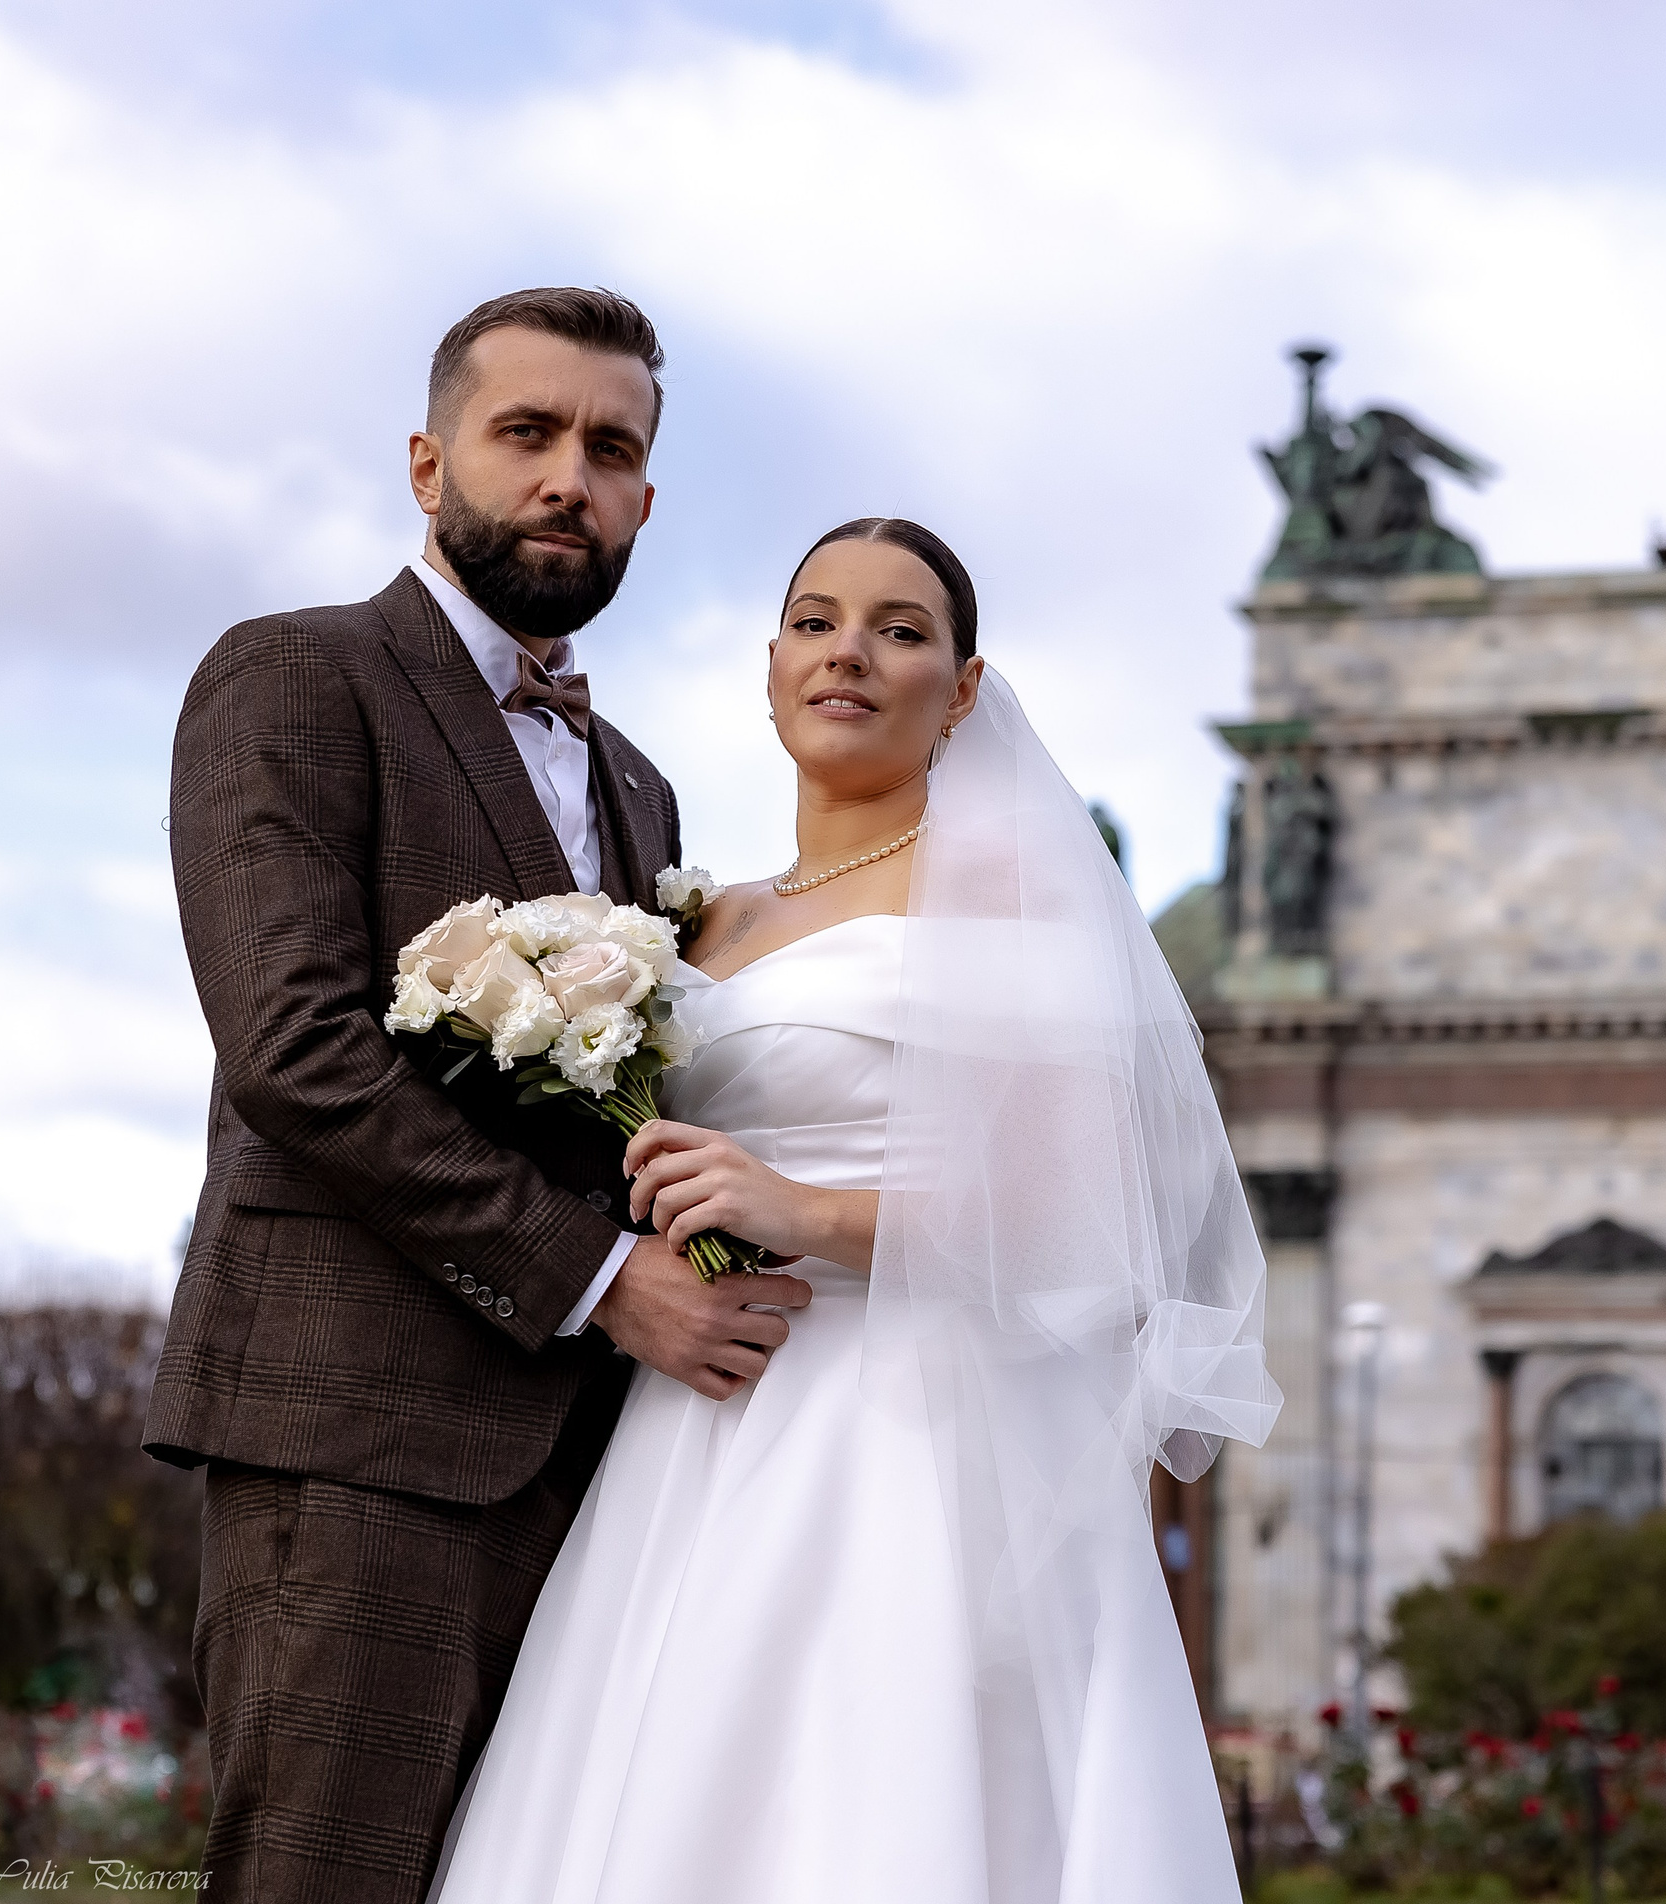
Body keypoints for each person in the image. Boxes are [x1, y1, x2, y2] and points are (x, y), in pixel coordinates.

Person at [429, 518, 1282, 1902]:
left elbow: (1084, 1217)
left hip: (918, 1424)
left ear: (961, 686)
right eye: (817, 620)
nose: (850, 653)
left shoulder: (1006, 893)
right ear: (770, 666)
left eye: (900, 630)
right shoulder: (689, 925)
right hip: (695, 1416)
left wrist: (803, 1209)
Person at [143, 288, 816, 1902]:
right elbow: (296, 1051)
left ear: (646, 499)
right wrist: (602, 1284)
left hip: (599, 1481)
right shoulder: (298, 678)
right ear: (430, 459)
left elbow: (628, 1114)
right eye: (527, 435)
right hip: (358, 1443)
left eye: (610, 448)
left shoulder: (639, 784)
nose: (566, 478)